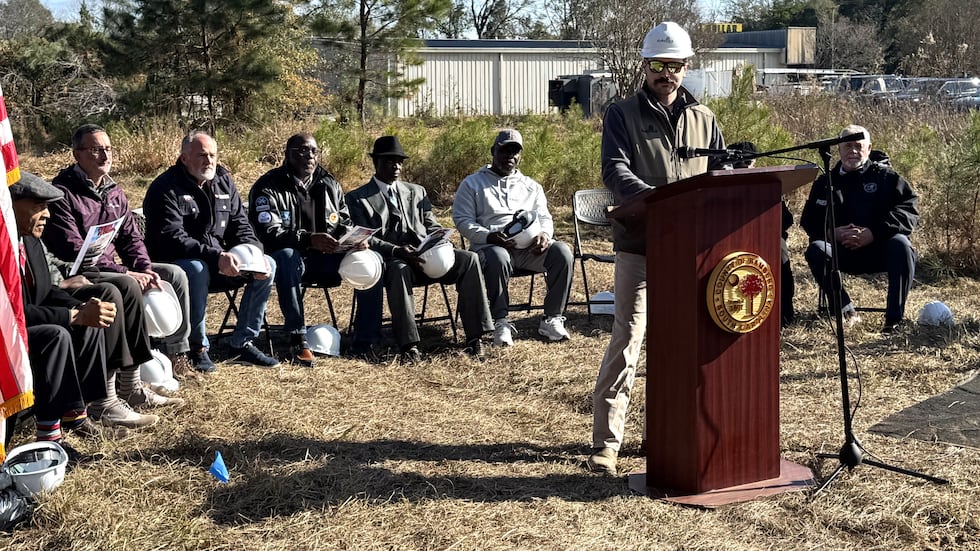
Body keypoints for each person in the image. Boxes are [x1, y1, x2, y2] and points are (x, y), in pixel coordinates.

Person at [588, 21, 725, 476]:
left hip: (694, 253)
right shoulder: (622, 114)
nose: (666, 73)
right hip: (641, 248)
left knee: (683, 345)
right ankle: (607, 444)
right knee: (628, 341)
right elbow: (614, 171)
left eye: (674, 65)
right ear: (645, 66)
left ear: (687, 66)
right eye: (658, 65)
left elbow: (720, 176)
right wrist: (658, 201)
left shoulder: (705, 118)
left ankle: (667, 434)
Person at [44, 123, 194, 382]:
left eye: (108, 149)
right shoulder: (63, 193)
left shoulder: (114, 191)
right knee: (126, 284)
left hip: (112, 267)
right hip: (80, 270)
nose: (105, 156)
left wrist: (145, 269)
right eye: (96, 150)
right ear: (77, 154)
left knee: (174, 274)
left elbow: (131, 237)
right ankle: (131, 377)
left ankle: (176, 355)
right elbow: (73, 249)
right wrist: (127, 272)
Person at [11, 172, 135, 453]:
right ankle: (48, 437)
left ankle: (78, 411)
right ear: (10, 204)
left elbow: (45, 292)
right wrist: (72, 316)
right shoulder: (5, 248)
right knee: (55, 335)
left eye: (47, 207)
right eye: (37, 206)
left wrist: (79, 309)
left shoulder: (29, 241)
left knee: (88, 313)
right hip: (9, 334)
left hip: (27, 322)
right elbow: (13, 312)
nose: (46, 215)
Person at [346, 135, 493, 361]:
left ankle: (476, 337)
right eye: (388, 161)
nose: (395, 166)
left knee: (469, 259)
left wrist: (438, 238)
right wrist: (396, 250)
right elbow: (366, 237)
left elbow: (430, 222)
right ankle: (409, 344)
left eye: (399, 161)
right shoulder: (358, 198)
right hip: (393, 259)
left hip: (427, 255)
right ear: (375, 162)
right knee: (398, 269)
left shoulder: (417, 192)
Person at [143, 130, 280, 370]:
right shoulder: (165, 187)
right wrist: (216, 256)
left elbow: (240, 224)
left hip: (219, 260)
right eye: (202, 155)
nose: (209, 161)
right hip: (178, 263)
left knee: (269, 263)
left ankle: (243, 342)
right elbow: (173, 238)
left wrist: (255, 253)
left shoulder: (223, 180)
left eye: (213, 155)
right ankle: (197, 347)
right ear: (184, 158)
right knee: (195, 269)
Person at [248, 133, 383, 364]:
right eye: (302, 151)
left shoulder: (329, 183)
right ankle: (297, 337)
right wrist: (308, 239)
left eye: (313, 151)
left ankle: (365, 340)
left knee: (372, 260)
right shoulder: (268, 186)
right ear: (287, 154)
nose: (309, 156)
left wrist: (354, 240)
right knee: (287, 256)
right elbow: (268, 232)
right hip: (290, 262)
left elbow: (344, 222)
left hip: (328, 256)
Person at [452, 129, 573, 346]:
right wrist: (489, 236)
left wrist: (544, 235)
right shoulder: (472, 184)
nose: (510, 156)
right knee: (499, 257)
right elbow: (463, 220)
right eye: (504, 150)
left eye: (515, 151)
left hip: (529, 250)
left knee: (562, 252)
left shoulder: (531, 186)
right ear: (493, 151)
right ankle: (501, 321)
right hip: (491, 247)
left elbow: (545, 217)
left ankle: (551, 318)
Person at [800, 124, 919, 331]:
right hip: (840, 253)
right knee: (816, 250)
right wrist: (832, 233)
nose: (853, 151)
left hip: (878, 250)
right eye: (847, 146)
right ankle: (846, 311)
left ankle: (894, 320)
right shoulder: (825, 182)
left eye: (858, 146)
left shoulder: (887, 178)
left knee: (902, 245)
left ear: (869, 148)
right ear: (838, 149)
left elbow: (909, 212)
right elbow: (809, 221)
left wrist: (874, 233)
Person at [728, 141, 795, 327]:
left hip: (767, 236)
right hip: (729, 238)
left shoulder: (768, 184)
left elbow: (787, 220)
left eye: (748, 163)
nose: (744, 168)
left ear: (754, 163)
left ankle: (785, 314)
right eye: (739, 164)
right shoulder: (724, 184)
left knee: (781, 256)